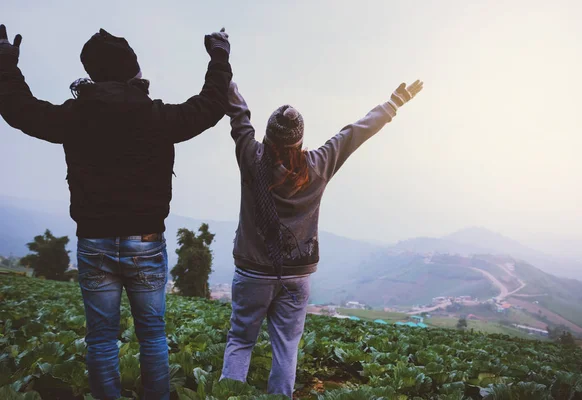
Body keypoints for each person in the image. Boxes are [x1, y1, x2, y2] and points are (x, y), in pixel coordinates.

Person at [0, 25, 232, 400]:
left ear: (91, 73)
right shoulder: (157, 116)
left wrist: (6, 64)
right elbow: (211, 104)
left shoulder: (74, 116)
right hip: (146, 242)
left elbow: (18, 109)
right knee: (153, 336)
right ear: (132, 71)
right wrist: (219, 54)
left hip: (94, 242)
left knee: (102, 340)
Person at [221, 78, 423, 397]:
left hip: (253, 272)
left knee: (241, 341)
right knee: (286, 348)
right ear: (299, 140)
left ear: (268, 136)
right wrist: (394, 103)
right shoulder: (319, 164)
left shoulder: (251, 157)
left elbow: (239, 115)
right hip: (297, 276)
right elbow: (355, 133)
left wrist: (223, 69)